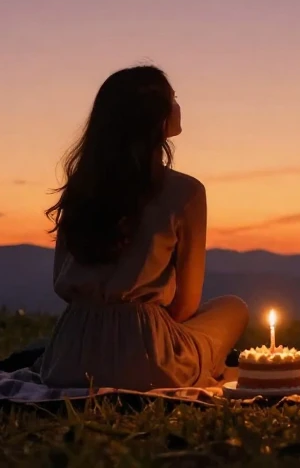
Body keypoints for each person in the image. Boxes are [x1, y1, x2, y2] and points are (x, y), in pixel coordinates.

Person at [32, 65, 249, 390]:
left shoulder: (82, 187)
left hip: (68, 358)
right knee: (233, 308)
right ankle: (203, 364)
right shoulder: (185, 192)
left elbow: (59, 282)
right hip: (149, 362)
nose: (178, 106)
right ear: (154, 116)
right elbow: (185, 306)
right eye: (173, 98)